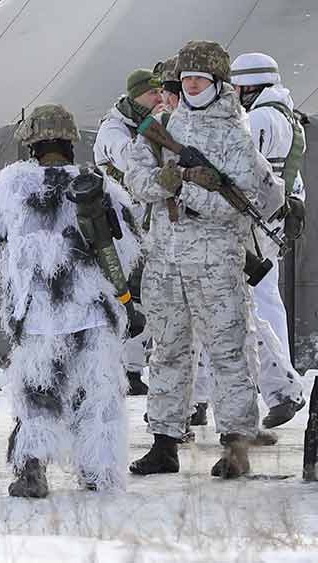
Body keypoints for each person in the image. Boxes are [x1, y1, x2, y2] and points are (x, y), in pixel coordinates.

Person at [126, 41, 284, 479]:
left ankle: (236, 444)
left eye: (201, 80)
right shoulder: (161, 124)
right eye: (187, 80)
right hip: (165, 260)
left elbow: (243, 199)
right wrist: (167, 180)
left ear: (218, 84)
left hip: (215, 261)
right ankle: (164, 442)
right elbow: (136, 179)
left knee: (229, 351)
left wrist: (189, 189)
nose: (192, 86)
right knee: (168, 351)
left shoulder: (236, 132)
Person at [0, 104, 140, 497]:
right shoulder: (98, 184)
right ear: (70, 142)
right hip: (94, 312)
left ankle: (32, 469)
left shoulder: (10, 186)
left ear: (30, 143)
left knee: (36, 394)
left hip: (38, 317)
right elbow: (128, 250)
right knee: (98, 396)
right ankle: (98, 473)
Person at [229, 51, 307, 428]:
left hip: (255, 221)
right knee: (268, 298)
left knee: (256, 303)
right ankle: (282, 379)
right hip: (274, 220)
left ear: (249, 84)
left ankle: (279, 384)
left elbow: (246, 170)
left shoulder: (259, 118)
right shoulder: (287, 115)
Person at [92, 67, 164, 397]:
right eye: (152, 94)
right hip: (119, 230)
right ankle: (122, 367)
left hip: (143, 226)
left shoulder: (139, 125)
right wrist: (157, 130)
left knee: (141, 298)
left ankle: (132, 368)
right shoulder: (113, 130)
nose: (159, 99)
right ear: (135, 96)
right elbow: (132, 161)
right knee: (126, 299)